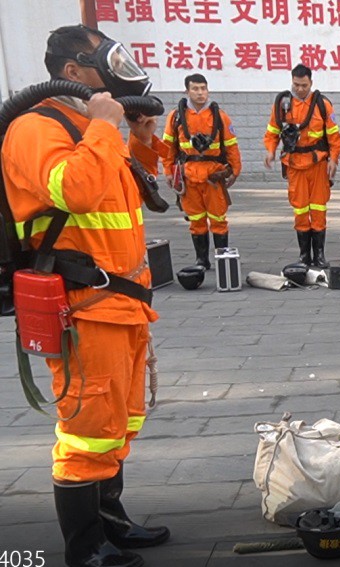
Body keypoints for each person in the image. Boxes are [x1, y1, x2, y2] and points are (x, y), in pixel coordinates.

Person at [2, 24, 169, 567]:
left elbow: (134, 192)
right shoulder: (35, 127)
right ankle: (85, 547)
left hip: (124, 304)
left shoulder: (93, 127)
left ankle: (112, 521)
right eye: (101, 62)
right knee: (87, 431)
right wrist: (104, 128)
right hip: (82, 306)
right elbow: (73, 189)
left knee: (118, 424)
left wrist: (137, 133)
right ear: (71, 73)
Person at [264, 64, 340, 268]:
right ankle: (303, 255)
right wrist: (270, 150)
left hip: (317, 164)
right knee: (300, 210)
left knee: (318, 208)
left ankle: (319, 255)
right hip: (294, 164)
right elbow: (272, 130)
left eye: (304, 85)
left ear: (311, 83)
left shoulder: (322, 105)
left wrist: (334, 159)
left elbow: (334, 136)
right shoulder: (283, 104)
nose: (300, 89)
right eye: (296, 85)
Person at [161, 73, 242, 269]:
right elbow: (168, 147)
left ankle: (222, 259)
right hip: (189, 175)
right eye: (195, 89)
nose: (200, 93)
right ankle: (201, 260)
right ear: (187, 91)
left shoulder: (219, 116)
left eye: (203, 88)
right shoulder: (176, 116)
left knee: (218, 219)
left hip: (214, 175)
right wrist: (169, 171)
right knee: (196, 220)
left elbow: (231, 145)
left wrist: (235, 170)